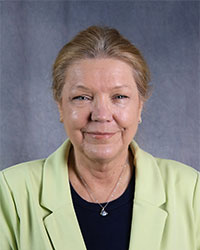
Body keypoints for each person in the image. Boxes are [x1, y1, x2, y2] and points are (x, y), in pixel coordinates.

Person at [0, 26, 199, 250]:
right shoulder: (9, 192)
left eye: (119, 96)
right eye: (82, 97)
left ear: (140, 106)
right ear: (60, 107)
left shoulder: (191, 191)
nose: (101, 115)